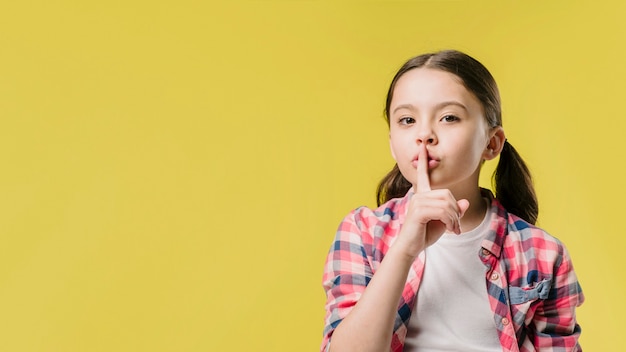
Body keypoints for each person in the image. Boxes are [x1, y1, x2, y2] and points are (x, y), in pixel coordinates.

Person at [320, 50, 584, 352]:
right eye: (407, 120)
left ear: (492, 143)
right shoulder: (361, 232)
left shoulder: (544, 254)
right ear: (392, 143)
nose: (424, 135)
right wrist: (405, 249)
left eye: (449, 117)